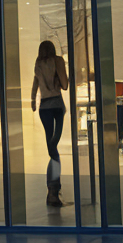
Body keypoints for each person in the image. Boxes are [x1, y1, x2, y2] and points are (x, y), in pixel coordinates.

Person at [30, 40, 69, 207]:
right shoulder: (58, 61)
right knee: (54, 148)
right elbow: (65, 85)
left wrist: (33, 101)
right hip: (57, 106)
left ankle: (53, 190)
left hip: (44, 108)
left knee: (52, 151)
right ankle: (53, 191)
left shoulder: (38, 63)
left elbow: (35, 83)